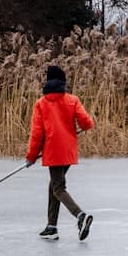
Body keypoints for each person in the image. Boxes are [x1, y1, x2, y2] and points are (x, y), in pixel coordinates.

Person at [25, 65, 96, 241]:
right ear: (62, 82)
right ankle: (51, 226)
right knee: (54, 185)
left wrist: (31, 155)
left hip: (53, 151)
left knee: (57, 187)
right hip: (68, 150)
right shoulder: (72, 100)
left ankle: (80, 215)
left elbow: (37, 133)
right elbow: (87, 123)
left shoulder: (41, 104)